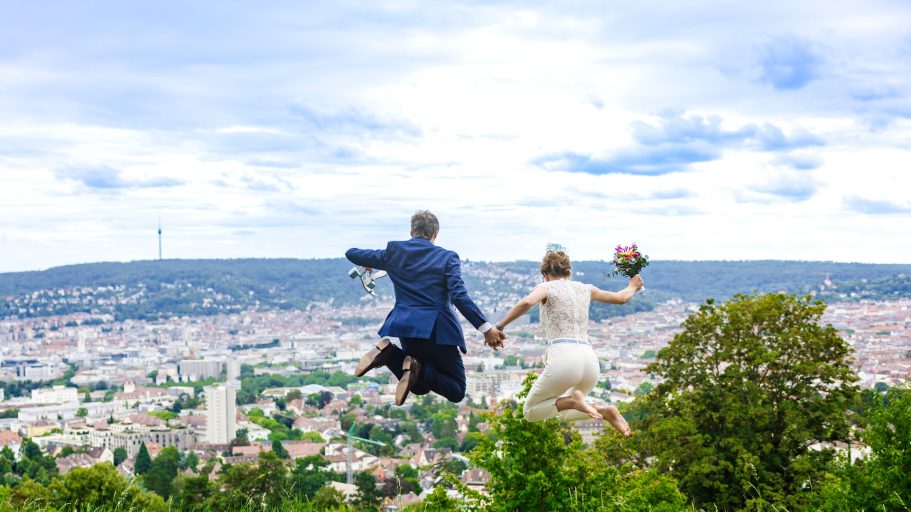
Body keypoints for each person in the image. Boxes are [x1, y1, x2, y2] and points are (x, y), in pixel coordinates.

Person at [346, 210, 505, 406]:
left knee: (418, 385)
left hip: (407, 328)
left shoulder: (394, 252)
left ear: (411, 232)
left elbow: (351, 253)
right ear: (435, 234)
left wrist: (369, 262)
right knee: (456, 390)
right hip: (437, 331)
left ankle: (389, 354)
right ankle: (398, 358)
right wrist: (486, 329)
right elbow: (459, 296)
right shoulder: (447, 258)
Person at [495, 248, 643, 436]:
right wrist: (633, 286)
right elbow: (621, 298)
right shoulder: (586, 288)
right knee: (559, 412)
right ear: (568, 271)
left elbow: (526, 302)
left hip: (563, 357)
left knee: (531, 412)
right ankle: (603, 410)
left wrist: (500, 326)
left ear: (545, 274)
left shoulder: (546, 287)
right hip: (589, 362)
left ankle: (574, 400)